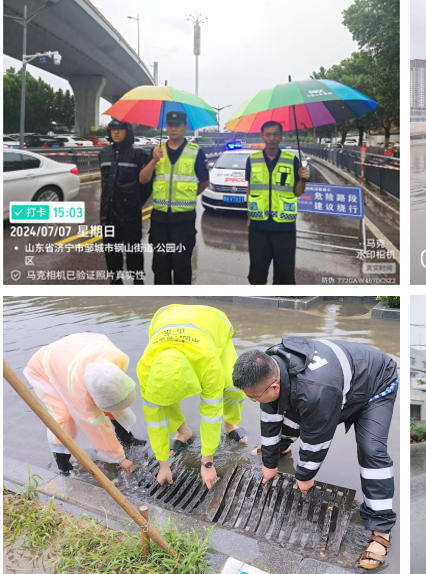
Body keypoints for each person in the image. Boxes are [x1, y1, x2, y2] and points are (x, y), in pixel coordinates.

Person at [232, 337, 398, 570]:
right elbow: (270, 413)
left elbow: (317, 440)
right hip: (334, 386)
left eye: (253, 397)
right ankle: (282, 446)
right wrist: (269, 462)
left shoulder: (316, 391)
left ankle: (381, 529)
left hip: (375, 385)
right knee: (289, 407)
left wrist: (304, 476)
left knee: (372, 451)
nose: (252, 401)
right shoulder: (271, 364)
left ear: (273, 386)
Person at [136, 304, 247, 490]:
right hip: (165, 319)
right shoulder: (145, 372)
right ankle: (183, 431)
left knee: (233, 385)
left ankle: (230, 423)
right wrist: (163, 464)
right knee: (164, 397)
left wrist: (208, 463)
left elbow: (211, 413)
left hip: (213, 324)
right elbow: (155, 421)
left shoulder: (209, 366)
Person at [23, 333, 146, 476]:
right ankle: (63, 465)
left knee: (113, 401)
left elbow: (115, 397)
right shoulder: (78, 392)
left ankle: (127, 439)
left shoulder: (116, 359)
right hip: (44, 368)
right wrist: (120, 459)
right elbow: (98, 428)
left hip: (71, 354)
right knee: (64, 418)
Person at [139, 111, 209, 284]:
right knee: (160, 267)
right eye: (170, 125)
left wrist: (187, 195)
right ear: (166, 127)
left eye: (177, 125)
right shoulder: (157, 151)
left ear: (185, 127)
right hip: (159, 220)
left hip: (183, 220)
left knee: (182, 266)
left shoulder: (195, 152)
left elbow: (204, 182)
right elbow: (143, 179)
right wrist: (154, 161)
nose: (173, 128)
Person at [245, 121, 310, 285]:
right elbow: (250, 188)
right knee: (257, 273)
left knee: (285, 275)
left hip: (284, 227)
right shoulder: (252, 160)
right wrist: (248, 215)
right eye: (268, 134)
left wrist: (303, 178)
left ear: (281, 136)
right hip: (258, 227)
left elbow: (298, 192)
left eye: (275, 134)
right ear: (262, 136)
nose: (272, 138)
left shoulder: (292, 160)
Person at [99, 119, 151, 285]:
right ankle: (116, 285)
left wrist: (136, 201)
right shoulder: (104, 153)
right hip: (108, 215)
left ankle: (138, 285)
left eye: (120, 129)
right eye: (113, 129)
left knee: (133, 253)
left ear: (127, 131)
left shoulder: (139, 154)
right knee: (111, 254)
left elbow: (147, 183)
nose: (116, 132)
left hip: (130, 215)